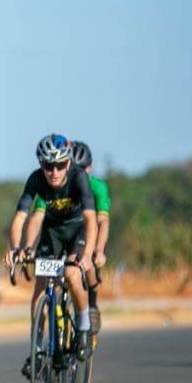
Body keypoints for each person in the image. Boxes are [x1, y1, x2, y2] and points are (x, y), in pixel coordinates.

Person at [3, 134, 97, 378]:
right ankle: (36, 349)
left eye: (59, 165)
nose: (54, 172)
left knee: (72, 274)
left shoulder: (79, 177)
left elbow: (91, 219)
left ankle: (84, 326)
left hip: (77, 231)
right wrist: (16, 249)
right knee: (41, 285)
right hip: (52, 232)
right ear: (40, 165)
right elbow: (21, 217)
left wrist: (86, 255)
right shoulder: (36, 180)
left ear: (68, 163)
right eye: (48, 166)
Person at [28, 140, 110, 334]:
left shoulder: (96, 187)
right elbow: (36, 217)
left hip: (83, 231)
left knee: (84, 266)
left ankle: (91, 305)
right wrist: (27, 247)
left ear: (89, 169)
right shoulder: (53, 184)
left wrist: (98, 250)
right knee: (48, 280)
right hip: (55, 232)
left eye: (83, 170)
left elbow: (101, 222)